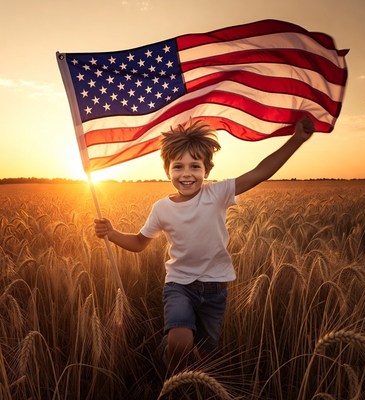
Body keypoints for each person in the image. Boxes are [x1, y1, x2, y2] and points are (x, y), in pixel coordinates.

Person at [94, 116, 315, 373]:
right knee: (180, 343)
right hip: (179, 285)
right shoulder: (162, 208)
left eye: (194, 166)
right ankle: (173, 378)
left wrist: (296, 140)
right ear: (167, 171)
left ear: (206, 171)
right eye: (178, 167)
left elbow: (260, 172)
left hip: (215, 288)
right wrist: (112, 233)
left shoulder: (217, 194)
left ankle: (189, 373)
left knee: (207, 354)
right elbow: (140, 243)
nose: (186, 174)